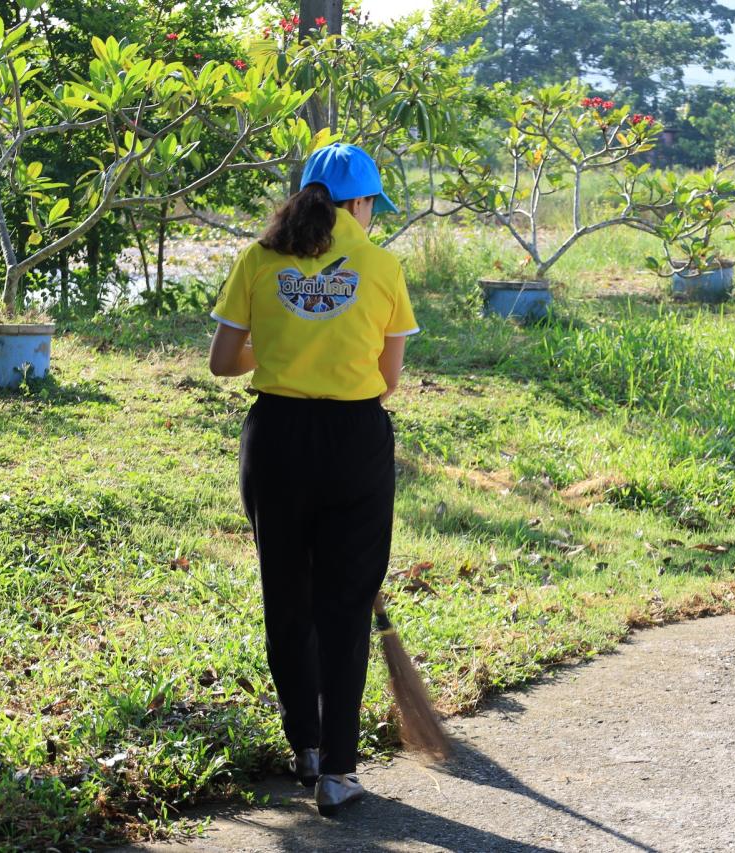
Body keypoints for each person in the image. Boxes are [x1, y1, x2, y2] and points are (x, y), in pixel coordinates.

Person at [208, 142, 418, 816]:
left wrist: (280, 348)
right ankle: (338, 772)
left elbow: (222, 362)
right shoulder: (381, 266)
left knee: (287, 597)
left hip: (276, 438)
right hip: (354, 440)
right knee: (346, 606)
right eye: (372, 204)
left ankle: (305, 747)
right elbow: (387, 379)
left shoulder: (259, 258)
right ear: (361, 203)